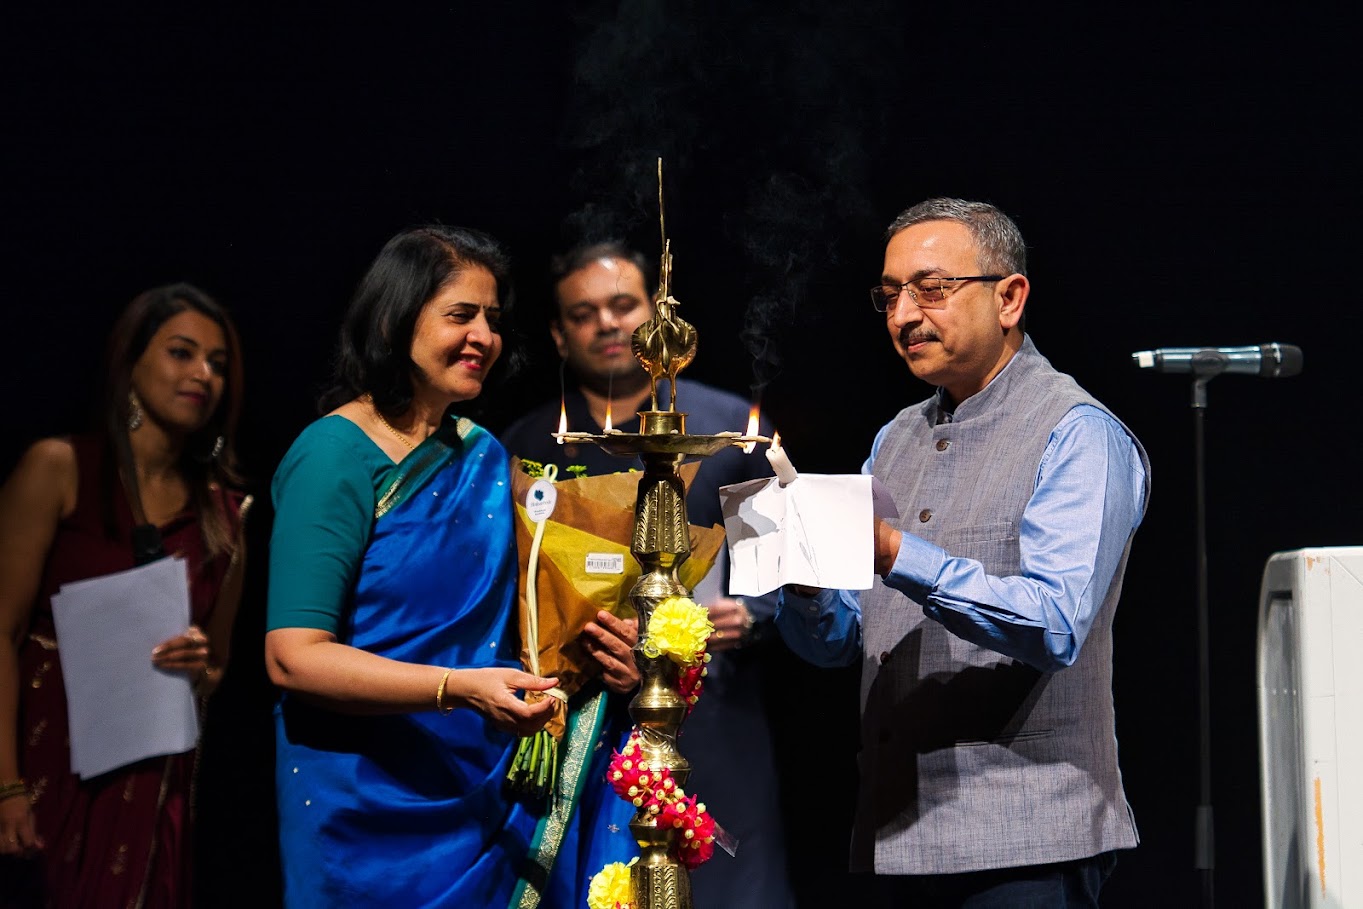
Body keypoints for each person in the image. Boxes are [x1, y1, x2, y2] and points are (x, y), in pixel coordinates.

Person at [776, 198, 1150, 907]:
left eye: (931, 289)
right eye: (888, 296)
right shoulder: (894, 437)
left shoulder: (1077, 432)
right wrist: (804, 583)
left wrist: (894, 552)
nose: (902, 316)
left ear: (1008, 297)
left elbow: (1053, 621)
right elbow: (842, 642)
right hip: (896, 837)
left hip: (1027, 841)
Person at [264, 225, 635, 909]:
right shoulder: (334, 456)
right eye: (459, 314)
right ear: (391, 318)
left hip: (477, 794)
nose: (484, 337)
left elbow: (531, 618)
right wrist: (454, 687)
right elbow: (292, 658)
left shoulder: (484, 456)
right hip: (359, 814)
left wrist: (609, 647)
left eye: (492, 319)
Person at [500, 241, 795, 908]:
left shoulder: (728, 433)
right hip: (570, 729)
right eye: (583, 312)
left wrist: (750, 615)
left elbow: (786, 583)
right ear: (557, 333)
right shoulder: (526, 444)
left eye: (622, 305)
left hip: (709, 730)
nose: (606, 323)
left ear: (657, 317)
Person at [0, 283, 250, 908]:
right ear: (130, 362)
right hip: (44, 761)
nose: (203, 375)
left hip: (149, 776)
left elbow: (217, 666)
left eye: (217, 364)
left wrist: (198, 664)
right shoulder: (59, 469)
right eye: (182, 353)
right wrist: (5, 787)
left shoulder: (225, 515)